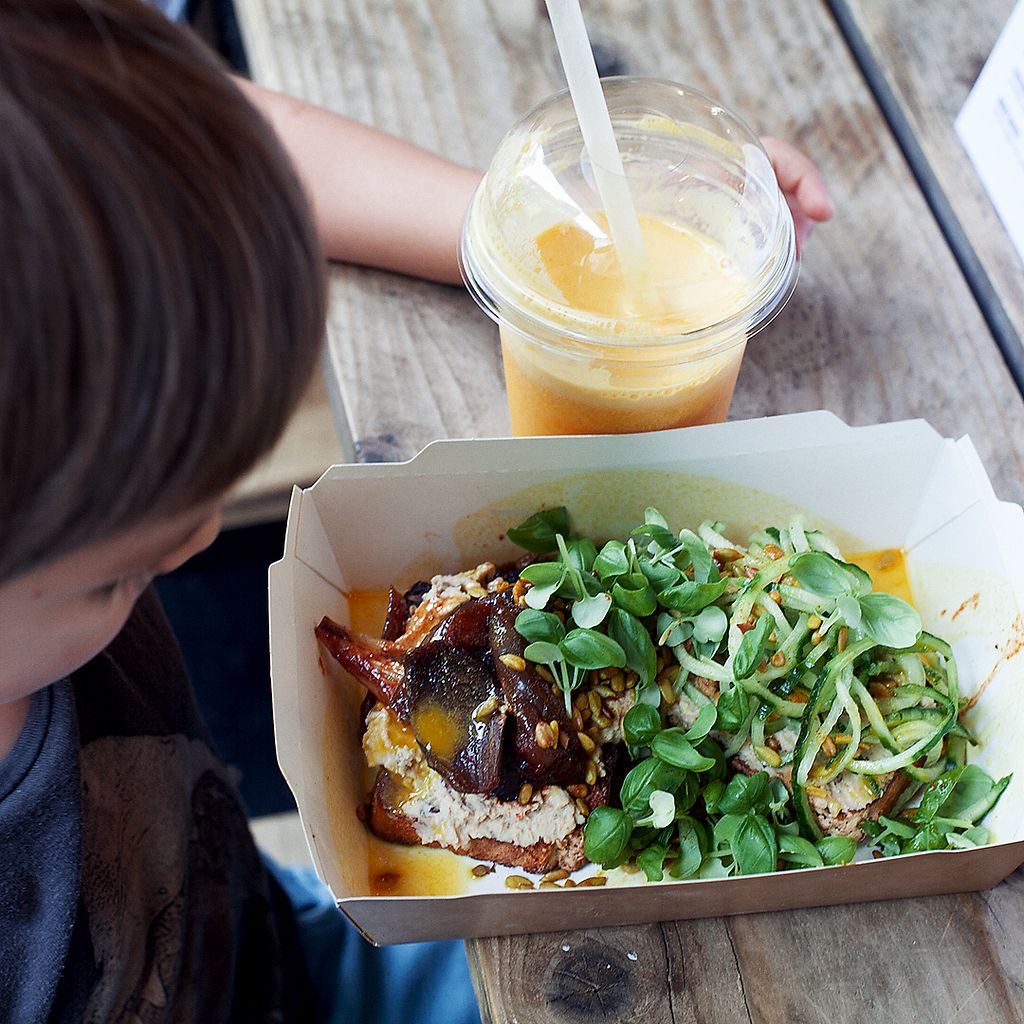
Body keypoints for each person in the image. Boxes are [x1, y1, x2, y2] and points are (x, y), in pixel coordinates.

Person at [0, 1, 832, 1022]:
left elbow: (174, 133)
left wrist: (561, 235)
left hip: (284, 945)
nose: (202, 539)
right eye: (116, 577)